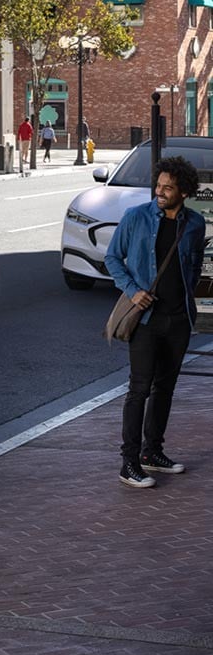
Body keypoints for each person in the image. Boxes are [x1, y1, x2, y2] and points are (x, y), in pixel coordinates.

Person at [104, 155, 207, 489]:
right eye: (159, 186)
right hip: (146, 319)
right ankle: (129, 463)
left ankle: (153, 453)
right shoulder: (136, 217)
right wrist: (133, 292)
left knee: (165, 388)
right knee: (139, 389)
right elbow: (112, 258)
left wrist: (186, 297)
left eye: (168, 188)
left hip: (177, 320)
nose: (160, 192)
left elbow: (191, 268)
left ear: (184, 191)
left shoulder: (194, 224)